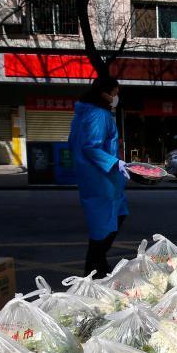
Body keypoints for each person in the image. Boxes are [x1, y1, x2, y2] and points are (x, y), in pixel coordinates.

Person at [68, 76, 129, 277]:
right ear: (105, 93)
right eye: (115, 93)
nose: (116, 97)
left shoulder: (83, 114)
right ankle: (93, 272)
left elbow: (76, 145)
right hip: (102, 180)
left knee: (108, 222)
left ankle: (99, 269)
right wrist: (115, 163)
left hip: (93, 178)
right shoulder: (99, 115)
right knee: (106, 226)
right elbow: (90, 147)